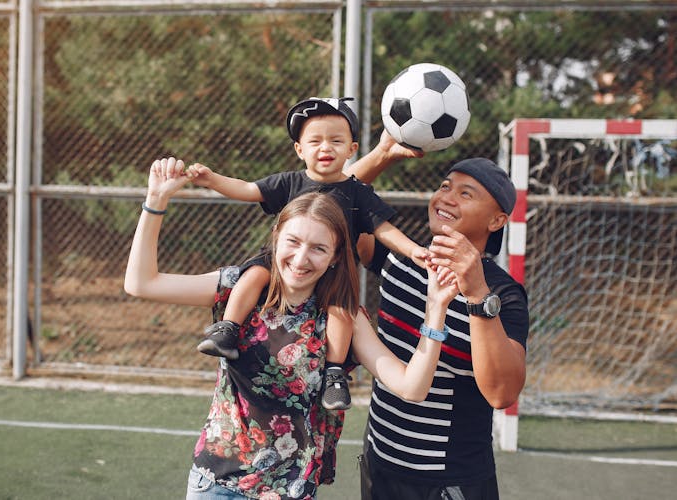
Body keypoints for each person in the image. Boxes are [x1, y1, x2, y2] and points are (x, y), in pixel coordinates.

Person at [124, 156, 458, 499]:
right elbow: (141, 284)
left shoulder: (343, 316)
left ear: (335, 257)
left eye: (318, 248)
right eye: (294, 242)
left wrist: (436, 311)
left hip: (290, 490)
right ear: (276, 237)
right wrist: (156, 201)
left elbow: (412, 387)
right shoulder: (240, 287)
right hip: (217, 484)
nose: (301, 259)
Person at [184, 97, 429, 411]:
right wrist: (211, 180)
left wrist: (414, 250)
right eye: (315, 141)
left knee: (342, 312)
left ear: (352, 149)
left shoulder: (358, 192)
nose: (325, 147)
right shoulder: (289, 182)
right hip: (281, 265)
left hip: (333, 271)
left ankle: (334, 373)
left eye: (336, 141)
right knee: (254, 275)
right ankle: (227, 329)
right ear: (300, 149)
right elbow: (247, 190)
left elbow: (383, 229)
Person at [345, 132, 530, 500]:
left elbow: (502, 393)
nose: (447, 197)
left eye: (466, 193)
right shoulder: (401, 257)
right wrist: (382, 155)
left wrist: (477, 292)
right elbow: (333, 202)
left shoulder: (503, 294)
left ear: (496, 220)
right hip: (380, 465)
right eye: (445, 186)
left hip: (450, 482)